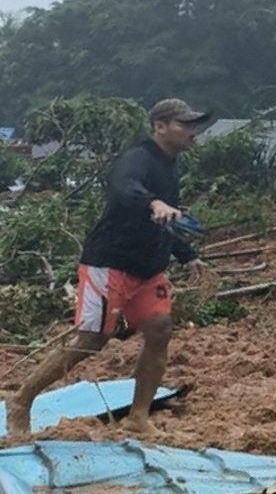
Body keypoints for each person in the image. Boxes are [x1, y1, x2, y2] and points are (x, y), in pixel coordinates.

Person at [6, 98, 210, 437]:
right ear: (160, 126)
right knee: (91, 340)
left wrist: (188, 255)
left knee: (160, 330)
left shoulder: (170, 166)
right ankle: (21, 402)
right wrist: (153, 201)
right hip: (110, 264)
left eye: (193, 125)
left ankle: (138, 417)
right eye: (184, 124)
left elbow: (163, 221)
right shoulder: (139, 158)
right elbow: (123, 190)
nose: (192, 131)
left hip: (147, 270)